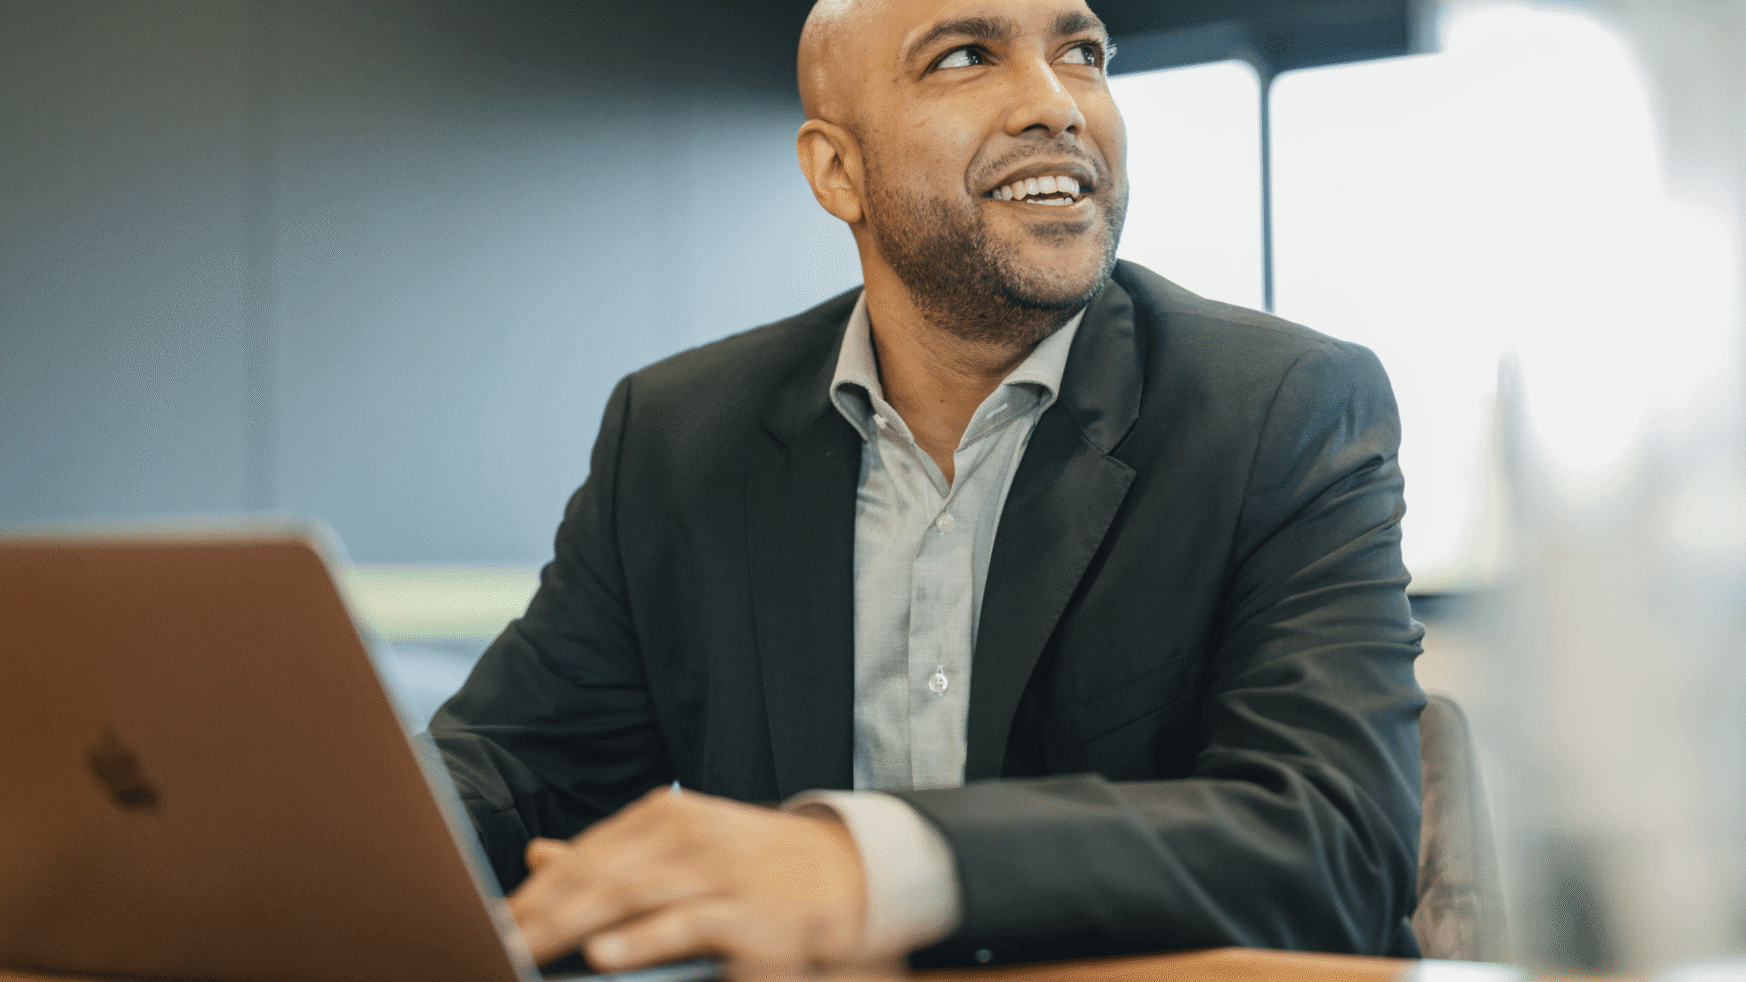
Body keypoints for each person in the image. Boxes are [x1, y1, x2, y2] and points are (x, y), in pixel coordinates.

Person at [430, 0, 1426, 971]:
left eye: (1082, 54)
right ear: (838, 169)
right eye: (963, 57)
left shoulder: (1282, 407)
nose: (1057, 103)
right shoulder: (680, 435)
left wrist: (862, 863)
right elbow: (517, 775)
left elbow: (1331, 841)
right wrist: (315, 834)